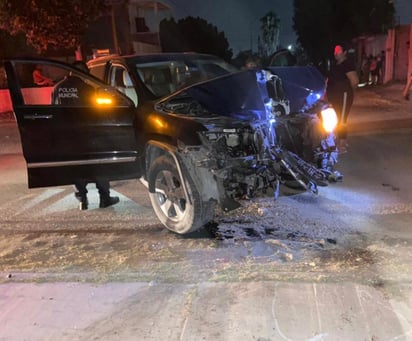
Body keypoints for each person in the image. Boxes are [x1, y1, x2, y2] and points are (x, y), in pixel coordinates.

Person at [52, 61, 119, 210]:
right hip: (88, 133)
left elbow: (54, 112)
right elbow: (95, 111)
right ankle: (104, 198)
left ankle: (82, 200)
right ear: (82, 72)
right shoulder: (87, 88)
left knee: (76, 166)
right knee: (97, 165)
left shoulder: (57, 88)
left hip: (67, 134)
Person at [326, 44, 359, 153]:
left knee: (342, 120)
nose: (336, 53)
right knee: (337, 119)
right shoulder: (336, 65)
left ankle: (342, 145)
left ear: (344, 52)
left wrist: (349, 93)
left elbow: (354, 81)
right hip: (335, 97)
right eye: (335, 51)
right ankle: (341, 140)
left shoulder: (347, 64)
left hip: (343, 96)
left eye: (338, 51)